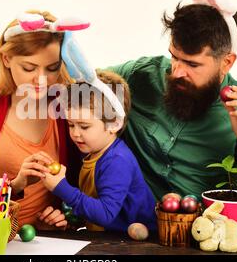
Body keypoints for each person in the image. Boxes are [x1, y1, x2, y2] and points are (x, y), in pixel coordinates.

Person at [0, 0, 237, 235]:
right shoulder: (143, 75)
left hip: (195, 239)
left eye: (192, 65)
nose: (176, 71)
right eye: (173, 57)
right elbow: (76, 79)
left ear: (227, 62)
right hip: (121, 234)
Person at [0, 10, 85, 229]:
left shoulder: (66, 103)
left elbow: (82, 186)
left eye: (52, 68)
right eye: (29, 68)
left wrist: (63, 217)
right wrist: (15, 185)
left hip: (50, 244)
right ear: (6, 59)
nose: (41, 80)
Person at [41, 70, 156, 232]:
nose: (75, 133)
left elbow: (106, 214)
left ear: (114, 124)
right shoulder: (92, 151)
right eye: (71, 124)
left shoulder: (117, 161)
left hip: (135, 243)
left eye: (84, 126)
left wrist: (61, 188)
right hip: (104, 237)